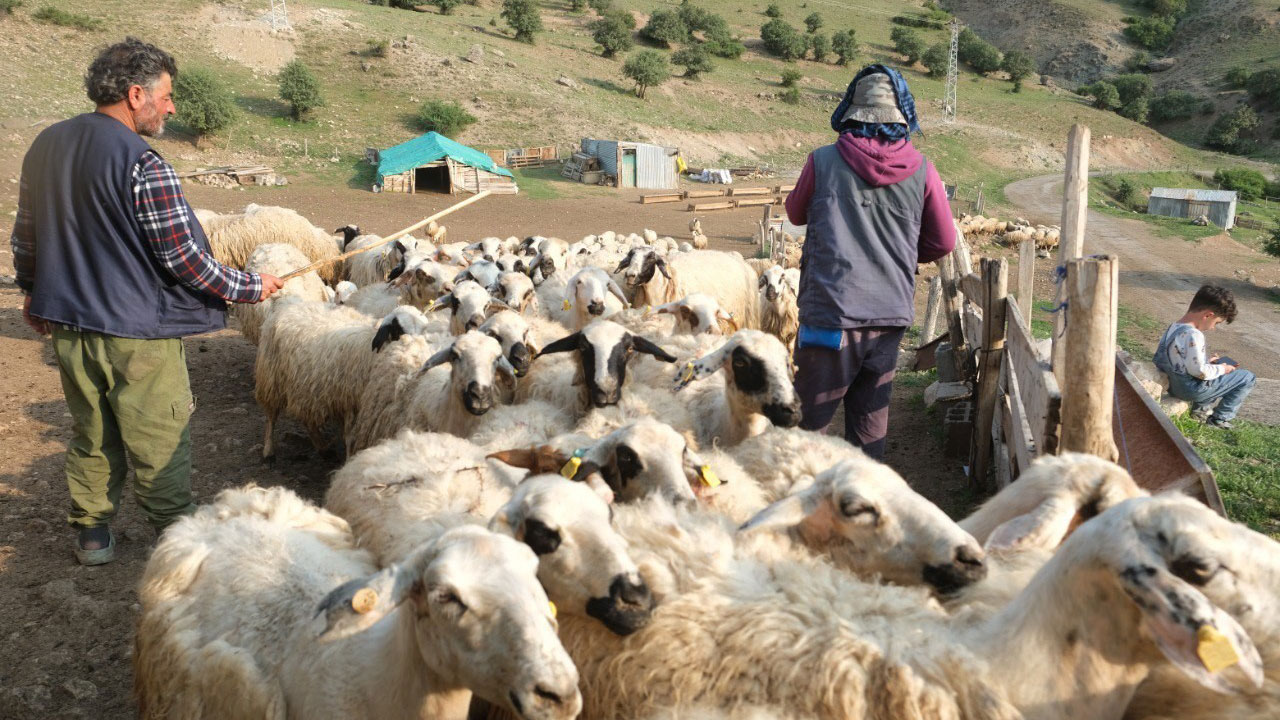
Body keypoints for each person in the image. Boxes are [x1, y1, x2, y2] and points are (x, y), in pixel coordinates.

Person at [10, 38, 285, 565]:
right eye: (167, 95)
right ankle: (176, 534)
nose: (172, 106)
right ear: (136, 94)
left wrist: (31, 292)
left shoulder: (46, 144)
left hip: (69, 323)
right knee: (160, 434)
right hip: (136, 330)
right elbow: (183, 258)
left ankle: (92, 532)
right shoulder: (143, 164)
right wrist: (251, 287)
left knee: (92, 429)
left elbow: (26, 235)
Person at [784, 64, 956, 460]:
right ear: (903, 117)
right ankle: (863, 509)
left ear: (850, 112)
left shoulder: (822, 161)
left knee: (808, 424)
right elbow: (944, 241)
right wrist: (902, 256)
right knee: (869, 423)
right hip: (888, 316)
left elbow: (795, 214)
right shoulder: (923, 171)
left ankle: (802, 507)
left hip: (830, 314)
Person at [1153, 285, 1255, 429]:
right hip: (1189, 390)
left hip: (1171, 384)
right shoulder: (1194, 334)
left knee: (1212, 373)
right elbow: (1200, 371)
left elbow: (1183, 362)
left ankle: (1200, 412)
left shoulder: (1174, 327)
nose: (1213, 328)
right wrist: (1222, 368)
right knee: (1246, 377)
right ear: (1207, 315)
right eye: (1216, 323)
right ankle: (1219, 419)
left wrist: (1209, 362)